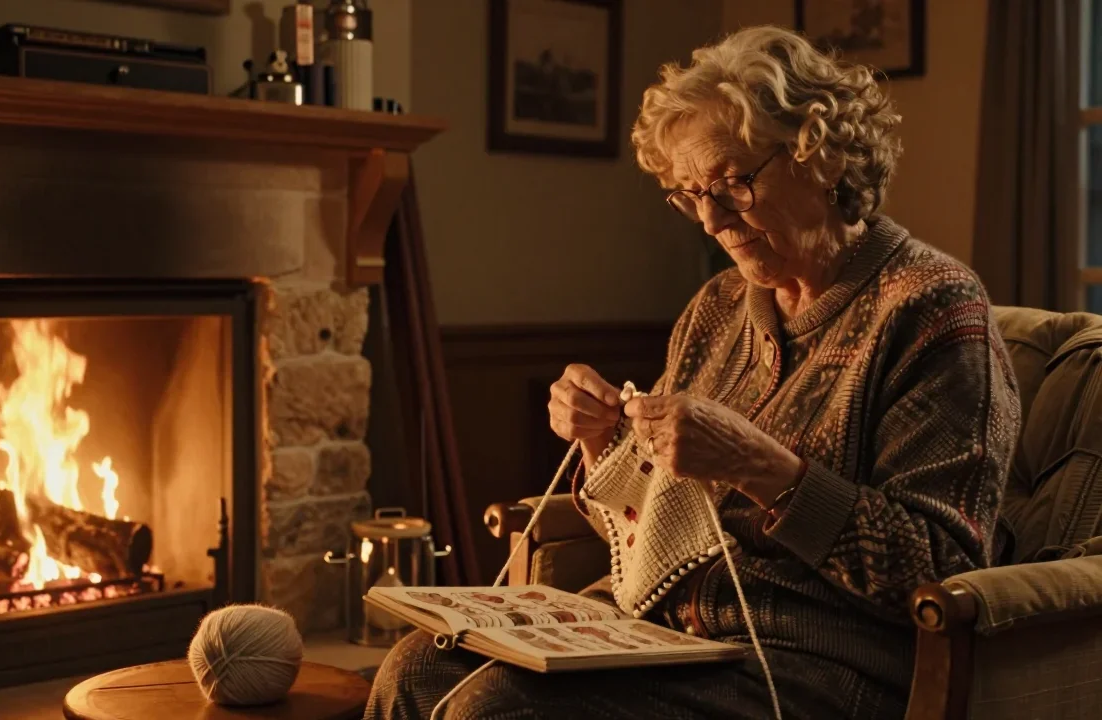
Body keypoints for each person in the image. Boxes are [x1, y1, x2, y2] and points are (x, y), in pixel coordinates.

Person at [364, 25, 1019, 720]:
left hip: (821, 663)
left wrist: (764, 468)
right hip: (668, 634)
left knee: (495, 708)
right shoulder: (717, 308)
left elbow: (942, 577)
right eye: (688, 193)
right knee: (415, 667)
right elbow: (663, 512)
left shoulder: (932, 309)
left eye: (733, 182)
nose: (710, 218)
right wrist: (603, 444)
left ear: (822, 157)